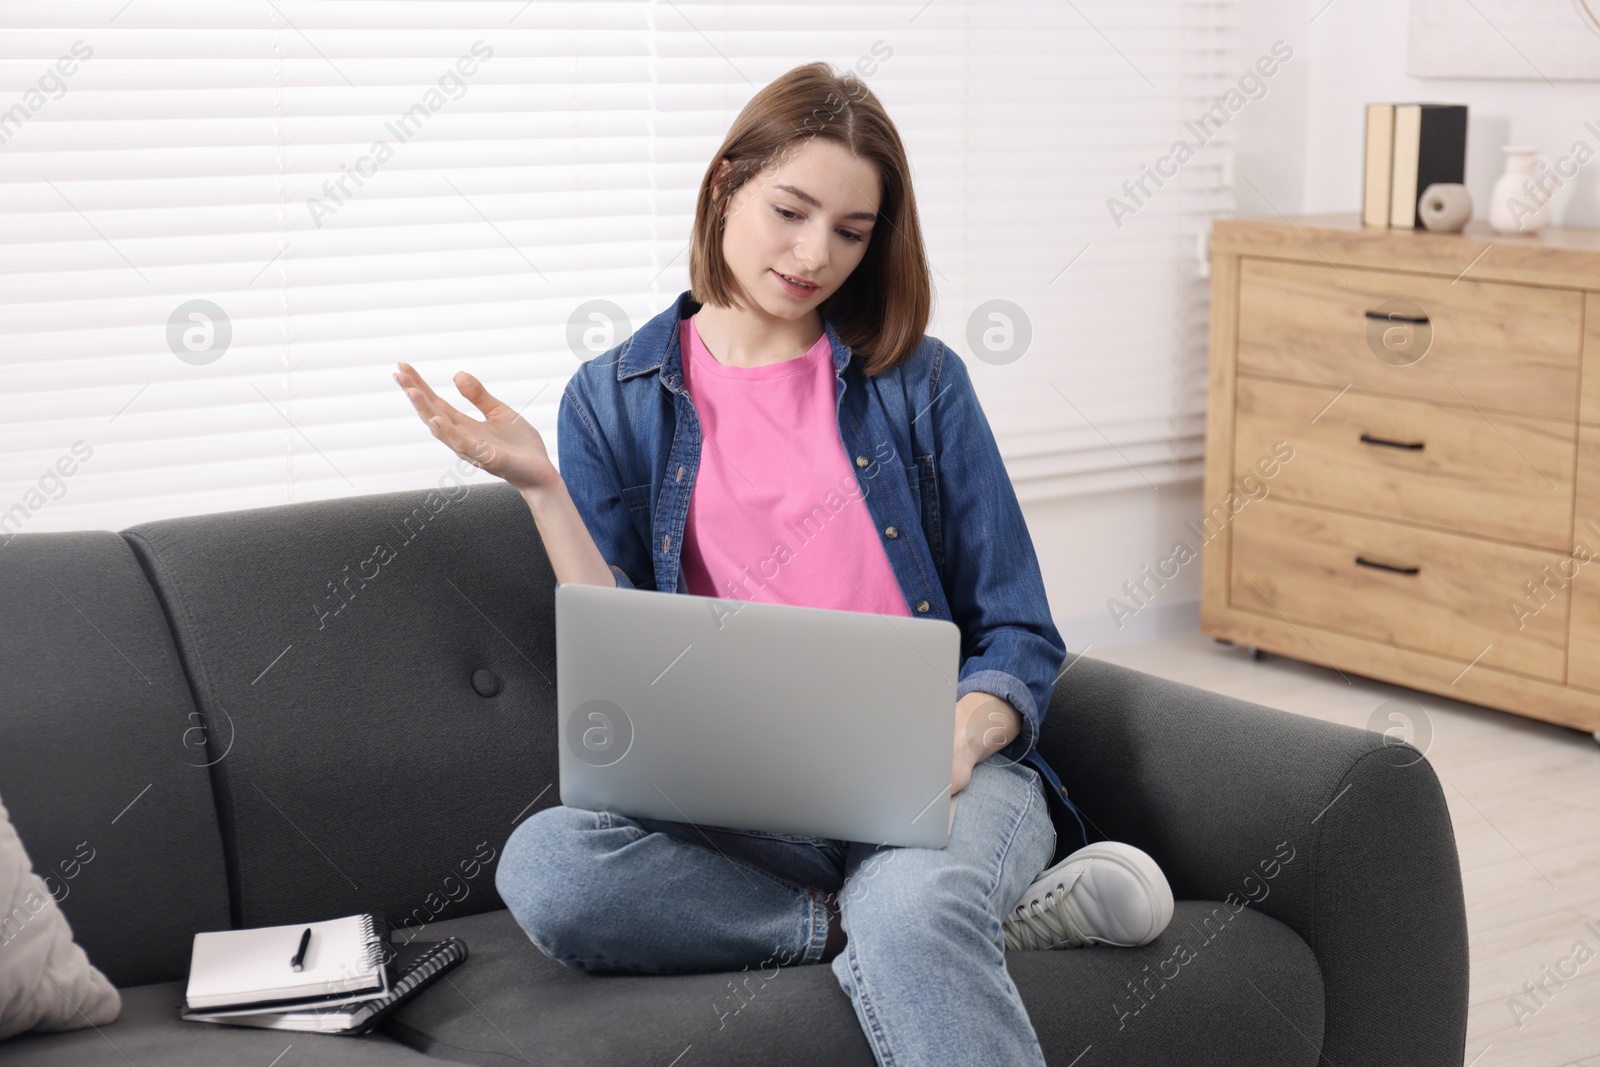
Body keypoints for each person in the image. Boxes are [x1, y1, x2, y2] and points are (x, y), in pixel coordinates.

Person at [394, 60, 1173, 1067]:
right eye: (790, 211)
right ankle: (876, 924)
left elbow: (1020, 630)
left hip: (940, 777)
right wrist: (543, 487)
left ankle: (912, 914)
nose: (814, 255)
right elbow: (626, 649)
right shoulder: (613, 395)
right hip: (750, 809)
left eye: (851, 232)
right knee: (549, 866)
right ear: (725, 183)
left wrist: (961, 734)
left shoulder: (919, 384)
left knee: (914, 901)